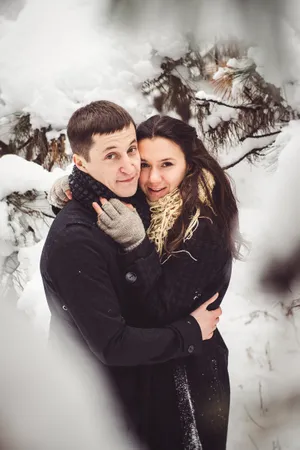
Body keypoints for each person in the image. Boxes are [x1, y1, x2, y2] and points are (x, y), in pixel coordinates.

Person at [50, 112, 239, 450]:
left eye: (167, 164)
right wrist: (77, 186)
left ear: (190, 164)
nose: (150, 178)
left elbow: (158, 310)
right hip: (147, 374)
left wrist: (137, 246)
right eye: (145, 161)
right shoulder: (144, 202)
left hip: (191, 377)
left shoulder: (204, 224)